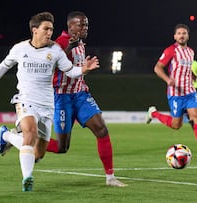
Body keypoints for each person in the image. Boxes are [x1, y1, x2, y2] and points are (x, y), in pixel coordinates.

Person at [0, 11, 99, 192]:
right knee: (29, 134)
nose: (50, 33)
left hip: (47, 105)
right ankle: (27, 178)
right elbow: (3, 67)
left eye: (51, 29)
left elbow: (70, 71)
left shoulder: (56, 50)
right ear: (35, 30)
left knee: (38, 154)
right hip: (26, 100)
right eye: (46, 29)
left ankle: (7, 136)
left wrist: (84, 70)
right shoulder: (20, 49)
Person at [44, 11, 126, 187]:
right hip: (62, 98)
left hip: (80, 95)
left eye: (86, 24)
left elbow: (77, 70)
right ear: (70, 26)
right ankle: (28, 139)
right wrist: (69, 49)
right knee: (61, 147)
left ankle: (110, 177)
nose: (85, 28)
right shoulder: (59, 43)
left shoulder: (80, 43)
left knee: (102, 130)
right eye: (81, 24)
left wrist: (85, 70)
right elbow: (53, 65)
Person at [146, 24, 197, 161]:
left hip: (190, 91)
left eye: (184, 33)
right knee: (176, 125)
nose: (181, 35)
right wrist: (167, 79)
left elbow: (187, 71)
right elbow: (157, 68)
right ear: (175, 36)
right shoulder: (171, 50)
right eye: (179, 33)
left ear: (188, 36)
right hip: (176, 93)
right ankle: (153, 113)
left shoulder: (190, 52)